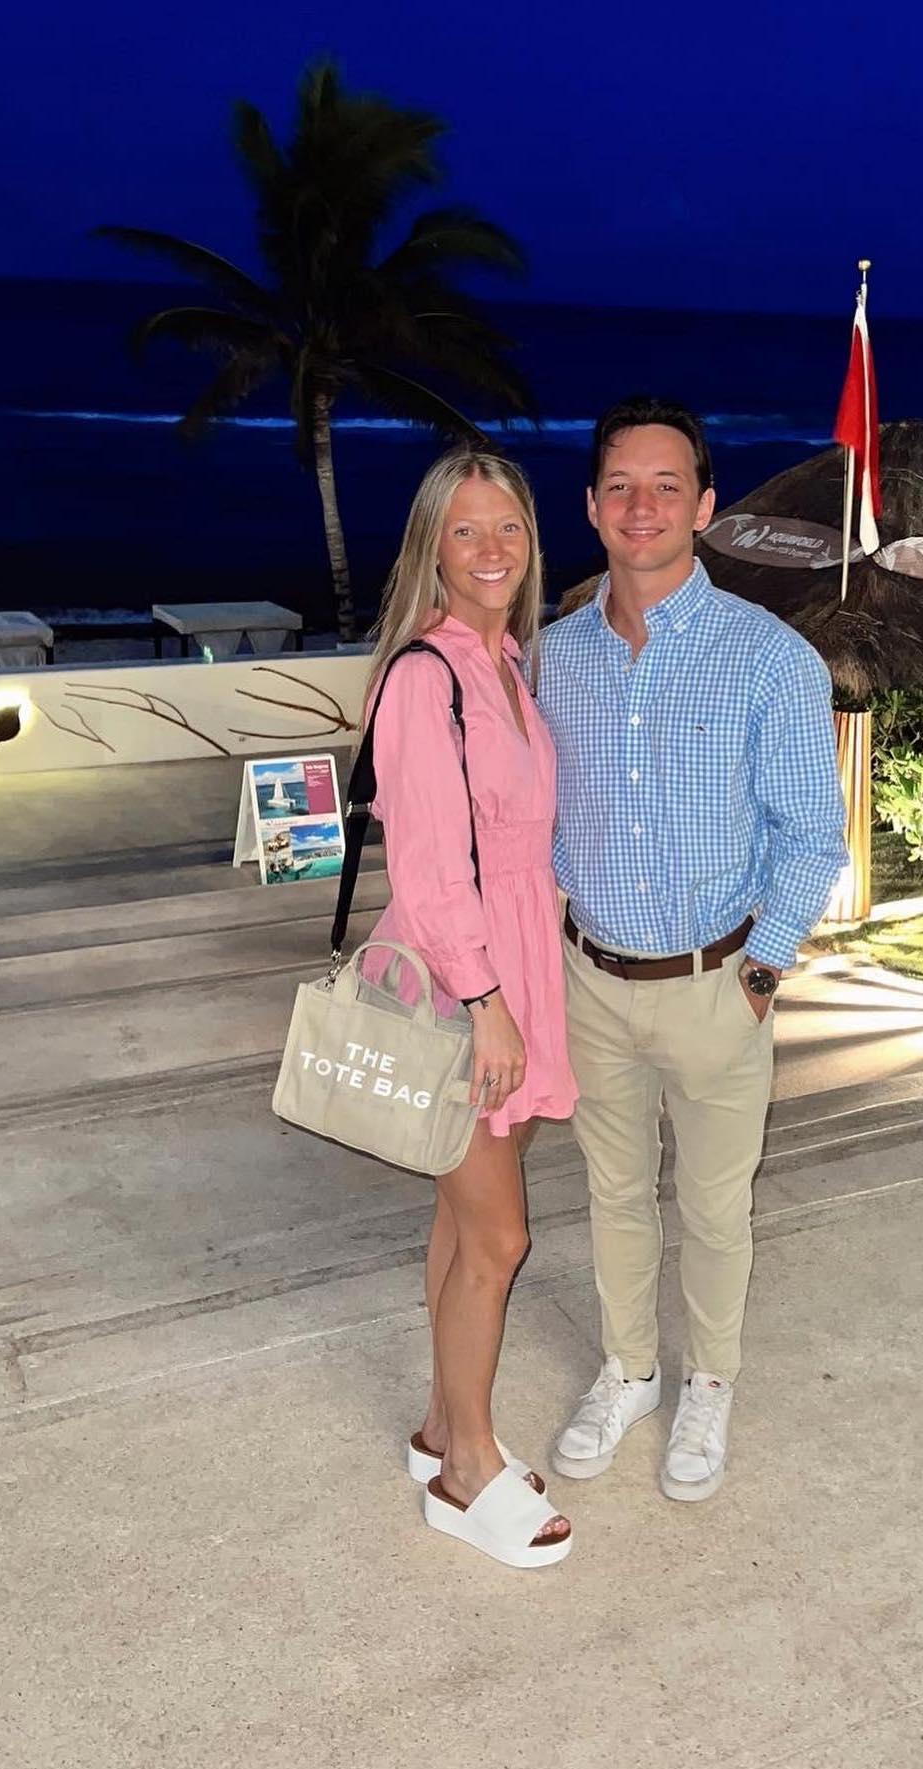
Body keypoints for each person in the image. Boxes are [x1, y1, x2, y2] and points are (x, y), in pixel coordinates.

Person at [535, 397, 847, 1502]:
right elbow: (539, 817)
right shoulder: (552, 659)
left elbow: (814, 836)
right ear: (590, 506)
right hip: (591, 977)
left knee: (716, 1210)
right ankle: (630, 1370)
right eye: (621, 485)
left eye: (667, 486)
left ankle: (709, 1383)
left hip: (719, 983)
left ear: (704, 506)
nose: (643, 506)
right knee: (613, 1195)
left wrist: (759, 976)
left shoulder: (769, 659)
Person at [362, 446, 579, 1568]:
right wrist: (487, 1001)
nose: (492, 549)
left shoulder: (508, 665)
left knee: (461, 1221)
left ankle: (443, 1426)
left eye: (509, 528)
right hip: (466, 985)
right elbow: (431, 866)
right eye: (466, 530)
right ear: (432, 549)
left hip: (515, 973)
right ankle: (468, 1472)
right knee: (501, 1235)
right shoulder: (425, 675)